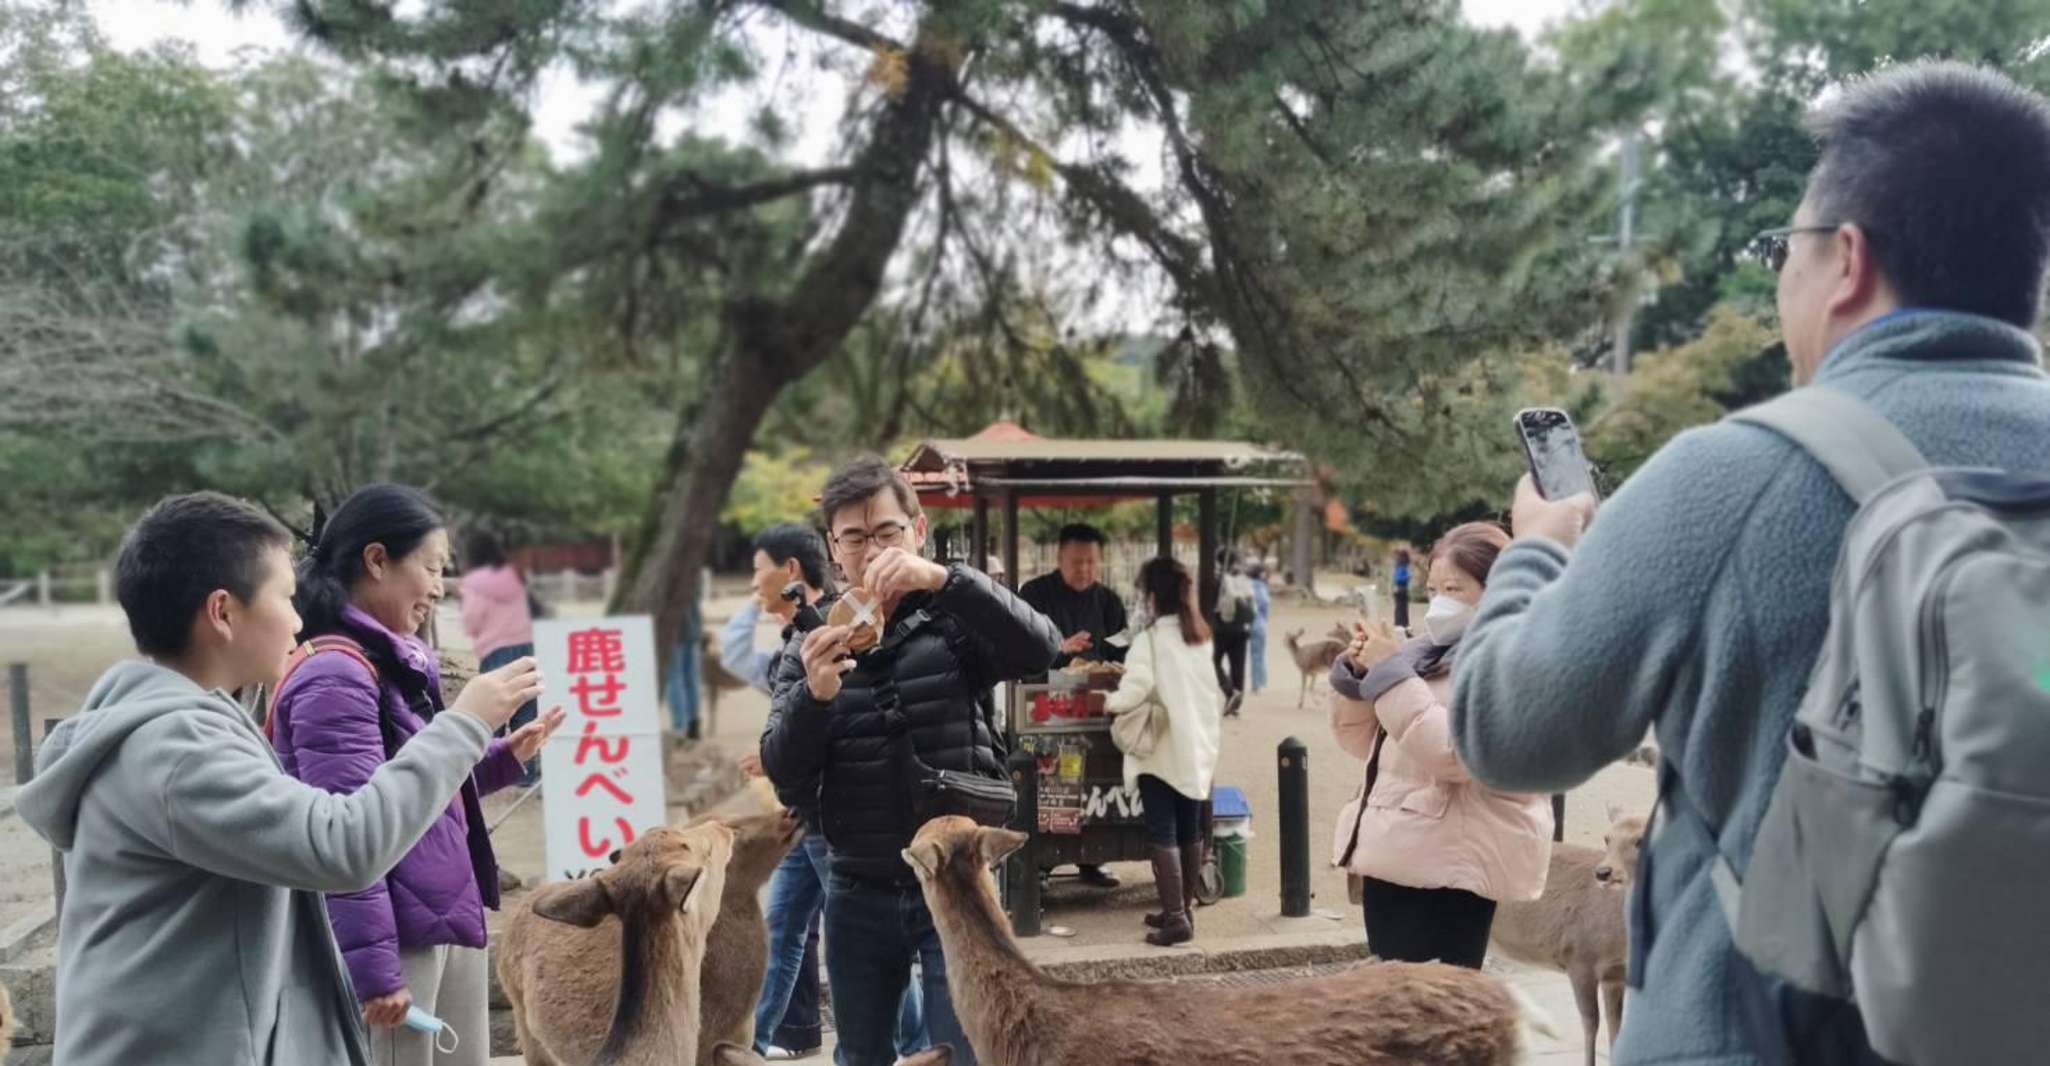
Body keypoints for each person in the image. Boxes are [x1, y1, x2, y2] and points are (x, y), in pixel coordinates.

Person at [1447, 63, 2050, 1066]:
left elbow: (1507, 734)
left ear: (1846, 260)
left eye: (1785, 250)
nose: (1782, 279)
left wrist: (1536, 554)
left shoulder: (1726, 477)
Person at [17, 492, 544, 1066]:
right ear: (223, 612)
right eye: (286, 598)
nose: (298, 619)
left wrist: (484, 754)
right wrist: (465, 722)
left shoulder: (199, 729)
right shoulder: (174, 752)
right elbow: (341, 842)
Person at [762, 456, 1060, 1066]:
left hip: (957, 881)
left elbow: (1041, 650)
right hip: (856, 883)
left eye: (887, 532)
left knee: (966, 1051)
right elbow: (785, 775)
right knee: (862, 1054)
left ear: (918, 531)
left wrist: (946, 580)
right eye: (854, 537)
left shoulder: (952, 620)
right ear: (833, 548)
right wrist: (815, 698)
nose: (871, 550)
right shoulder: (806, 649)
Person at [273, 484, 564, 1066]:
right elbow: (348, 836)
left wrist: (502, 754)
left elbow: (412, 792)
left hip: (436, 919)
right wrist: (377, 973)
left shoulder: (388, 663)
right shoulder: (335, 676)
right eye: (430, 567)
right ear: (377, 560)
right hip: (396, 940)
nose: (438, 586)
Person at [731, 524, 926, 1061]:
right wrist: (775, 754)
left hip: (832, 822)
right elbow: (792, 728)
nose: (753, 581)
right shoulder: (803, 636)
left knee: (857, 946)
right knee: (785, 927)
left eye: (757, 569)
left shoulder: (852, 632)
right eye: (853, 538)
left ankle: (915, 1042)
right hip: (804, 814)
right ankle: (748, 1042)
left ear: (791, 573)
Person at [1327, 522, 1551, 969]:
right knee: (1396, 1006)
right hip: (1399, 852)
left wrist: (1389, 676)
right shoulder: (1424, 653)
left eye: (1456, 588)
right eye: (1433, 588)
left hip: (1455, 865)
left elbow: (1456, 754)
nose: (1441, 601)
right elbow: (1363, 742)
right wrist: (1357, 676)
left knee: (1437, 1014)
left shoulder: (1515, 662)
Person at [1105, 557, 1223, 947]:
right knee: (1190, 829)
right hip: (1197, 747)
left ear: (1153, 597)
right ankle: (1183, 909)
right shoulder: (1200, 636)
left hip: (1162, 750)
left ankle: (1175, 918)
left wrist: (1109, 701)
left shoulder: (1150, 640)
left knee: (1163, 829)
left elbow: (1136, 689)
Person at [1019, 522, 1128, 890]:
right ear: (1059, 558)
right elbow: (1020, 648)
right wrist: (1060, 648)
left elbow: (1120, 650)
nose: (1084, 570)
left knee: (1098, 777)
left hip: (1100, 704)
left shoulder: (1110, 602)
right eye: (1076, 562)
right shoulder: (1034, 594)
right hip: (1047, 706)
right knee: (1053, 781)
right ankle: (1044, 862)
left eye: (1091, 562)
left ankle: (1093, 858)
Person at [458, 528, 539, 783]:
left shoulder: (474, 582)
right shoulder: (517, 577)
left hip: (495, 650)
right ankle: (526, 771)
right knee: (526, 705)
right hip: (528, 646)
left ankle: (490, 769)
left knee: (493, 707)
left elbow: (471, 620)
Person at [1205, 551, 1254, 716]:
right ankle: (1235, 704)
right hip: (1242, 627)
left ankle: (1229, 691)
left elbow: (1210, 604)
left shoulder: (1217, 579)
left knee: (1213, 660)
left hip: (1221, 628)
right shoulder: (1242, 579)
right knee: (1238, 665)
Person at [1247, 562, 1273, 693]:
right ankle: (1256, 684)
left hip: (1244, 624)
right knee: (1257, 654)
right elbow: (1265, 604)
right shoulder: (1261, 587)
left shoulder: (1245, 584)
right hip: (1258, 624)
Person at [1391, 549, 1412, 630]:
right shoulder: (1402, 566)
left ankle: (1402, 623)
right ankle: (1401, 623)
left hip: (1400, 589)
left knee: (1400, 607)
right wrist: (1408, 576)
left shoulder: (1399, 566)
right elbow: (1398, 579)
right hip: (1401, 588)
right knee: (1401, 607)